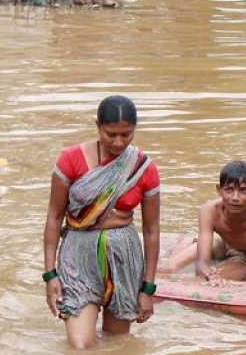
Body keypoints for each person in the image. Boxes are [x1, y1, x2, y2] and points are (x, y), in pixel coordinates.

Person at [43, 95, 161, 349]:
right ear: (97, 126)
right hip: (78, 257)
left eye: (126, 135)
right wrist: (50, 274)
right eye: (110, 134)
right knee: (80, 345)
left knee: (118, 344)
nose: (118, 142)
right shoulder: (70, 160)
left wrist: (147, 289)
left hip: (124, 259)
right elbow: (54, 218)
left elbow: (151, 231)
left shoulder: (143, 168)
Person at [159, 161, 246, 290]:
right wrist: (205, 271)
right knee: (169, 267)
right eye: (229, 190)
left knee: (217, 281)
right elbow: (202, 264)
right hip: (225, 244)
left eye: (243, 190)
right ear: (219, 190)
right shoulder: (209, 211)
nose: (235, 198)